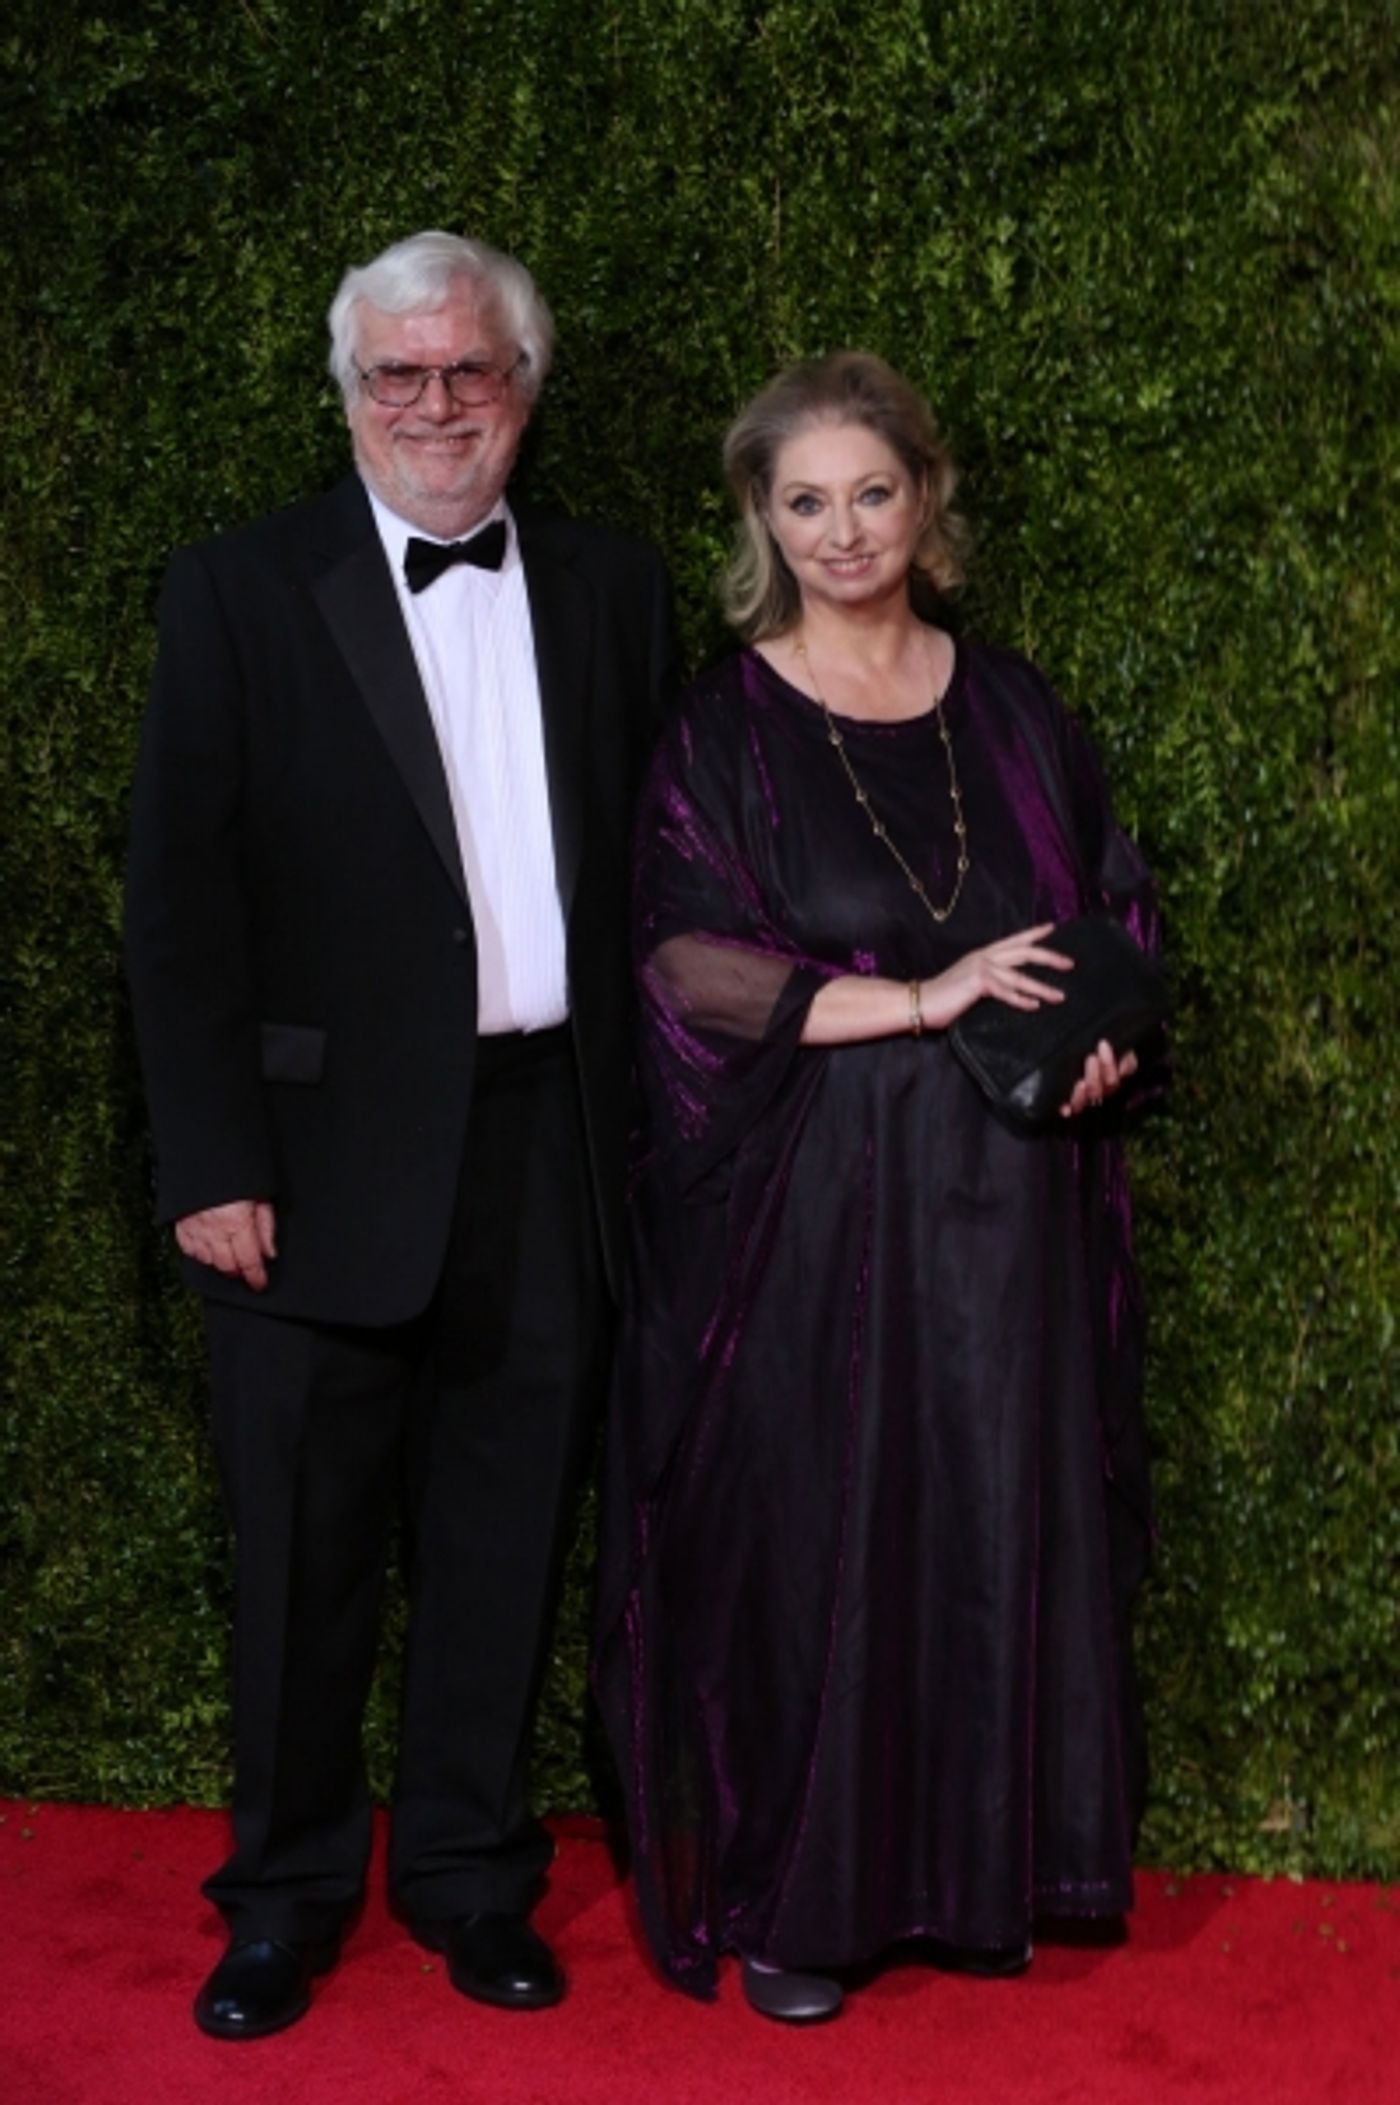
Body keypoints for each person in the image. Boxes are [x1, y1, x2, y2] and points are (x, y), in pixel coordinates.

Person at [125, 229, 676, 2039]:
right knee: (301, 1557)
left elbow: (657, 872)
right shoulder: (236, 590)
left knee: (506, 1540)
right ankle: (282, 1900)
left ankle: (467, 1876)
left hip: (547, 1145)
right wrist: (212, 1161)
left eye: (469, 370)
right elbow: (178, 905)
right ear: (351, 391)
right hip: (305, 1171)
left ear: (524, 387)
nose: (435, 406)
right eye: (398, 374)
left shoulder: (613, 588)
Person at [594, 352, 1159, 2023]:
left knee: (988, 1520)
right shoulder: (723, 728)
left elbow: (1113, 911)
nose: (842, 532)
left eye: (871, 493)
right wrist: (923, 996)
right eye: (805, 502)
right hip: (813, 1220)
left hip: (1009, 1208)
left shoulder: (1019, 709)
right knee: (821, 1539)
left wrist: (1101, 1046)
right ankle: (803, 1900)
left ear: (926, 497)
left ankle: (981, 1877)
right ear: (763, 523)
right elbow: (685, 968)